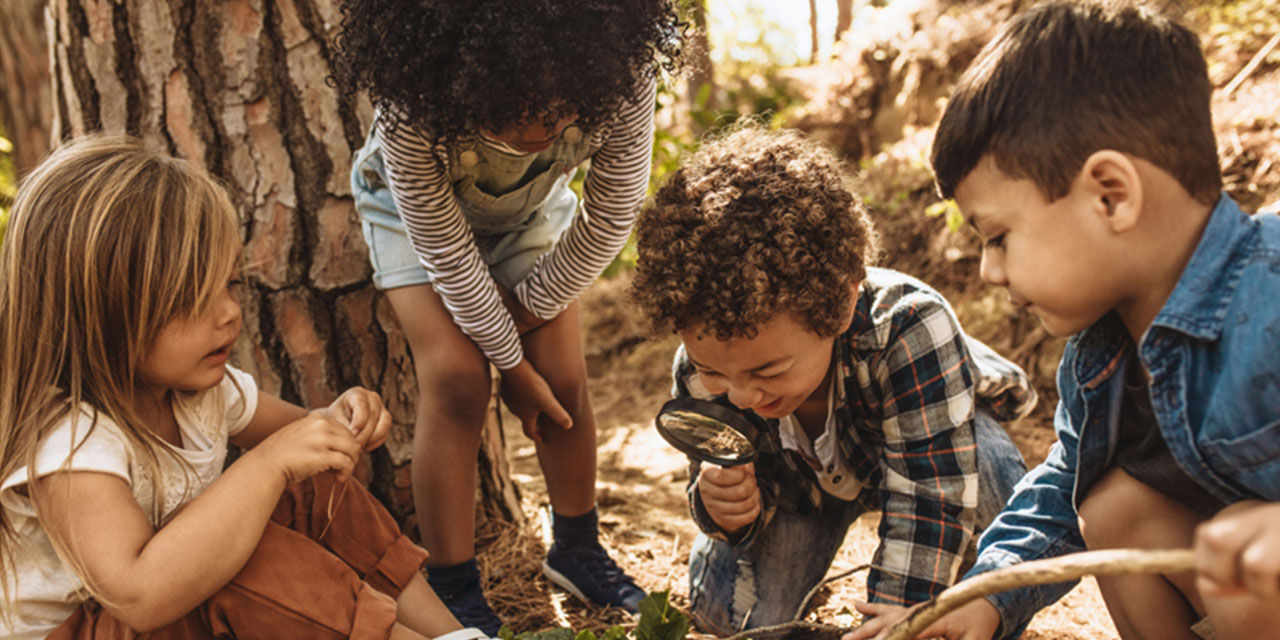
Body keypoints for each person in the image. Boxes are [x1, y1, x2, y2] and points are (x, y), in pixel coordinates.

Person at [848, 2, 1280, 639]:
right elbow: (1058, 492)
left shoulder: (1268, 290)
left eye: (997, 237)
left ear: (1111, 194)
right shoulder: (1098, 356)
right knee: (1111, 508)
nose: (991, 272)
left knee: (1248, 566)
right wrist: (986, 595)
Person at [0, 137, 495, 640]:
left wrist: (340, 419)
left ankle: (452, 634)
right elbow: (140, 597)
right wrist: (268, 463)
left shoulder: (198, 393)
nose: (231, 312)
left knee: (312, 485)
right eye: (193, 297)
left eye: (231, 284)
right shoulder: (72, 445)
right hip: (100, 628)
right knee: (241, 560)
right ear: (97, 316)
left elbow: (309, 438)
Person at [329, 2, 685, 631]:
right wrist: (511, 368)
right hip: (413, 222)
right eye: (516, 108)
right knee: (458, 379)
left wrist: (526, 314)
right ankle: (454, 585)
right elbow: (444, 250)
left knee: (565, 375)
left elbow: (610, 215)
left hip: (529, 217)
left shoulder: (620, 73)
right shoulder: (413, 100)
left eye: (559, 109)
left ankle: (577, 549)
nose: (541, 128)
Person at [627, 124, 1037, 636]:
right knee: (732, 621)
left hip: (923, 452)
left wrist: (898, 624)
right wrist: (722, 510)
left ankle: (974, 591)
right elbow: (718, 487)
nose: (741, 395)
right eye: (714, 371)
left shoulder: (909, 328)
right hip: (802, 491)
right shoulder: (700, 371)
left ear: (841, 304)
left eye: (767, 370)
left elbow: (928, 499)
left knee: (992, 467)